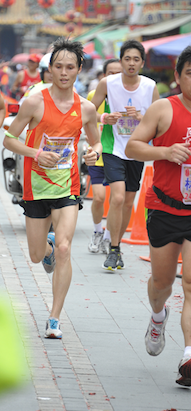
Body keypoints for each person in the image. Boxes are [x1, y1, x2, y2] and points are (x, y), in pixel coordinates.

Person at [125, 43, 191, 386]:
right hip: (165, 208)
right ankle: (158, 317)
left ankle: (190, 356)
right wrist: (164, 150)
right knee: (161, 283)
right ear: (178, 77)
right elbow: (132, 147)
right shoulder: (163, 109)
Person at [3, 38, 102, 339]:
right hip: (35, 186)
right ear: (49, 69)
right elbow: (9, 139)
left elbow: (96, 141)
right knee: (37, 255)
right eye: (58, 66)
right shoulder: (34, 102)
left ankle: (55, 317)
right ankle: (44, 250)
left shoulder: (85, 108)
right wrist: (35, 154)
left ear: (78, 69)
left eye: (70, 67)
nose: (63, 72)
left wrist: (93, 153)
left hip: (67, 186)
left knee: (64, 248)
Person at [91, 40, 159, 271]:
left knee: (128, 201)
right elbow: (88, 112)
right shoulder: (107, 83)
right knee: (117, 198)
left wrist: (142, 118)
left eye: (136, 59)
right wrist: (103, 118)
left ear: (142, 62)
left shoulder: (150, 86)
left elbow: (162, 120)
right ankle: (114, 248)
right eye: (127, 59)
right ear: (120, 61)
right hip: (113, 147)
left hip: (137, 148)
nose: (131, 63)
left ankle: (116, 246)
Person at [87, 58, 122, 254]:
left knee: (117, 200)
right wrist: (102, 119)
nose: (115, 77)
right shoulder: (95, 95)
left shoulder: (129, 97)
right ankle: (97, 231)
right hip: (99, 153)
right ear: (104, 76)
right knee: (99, 198)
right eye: (111, 73)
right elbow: (86, 117)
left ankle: (110, 239)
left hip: (120, 155)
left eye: (119, 73)